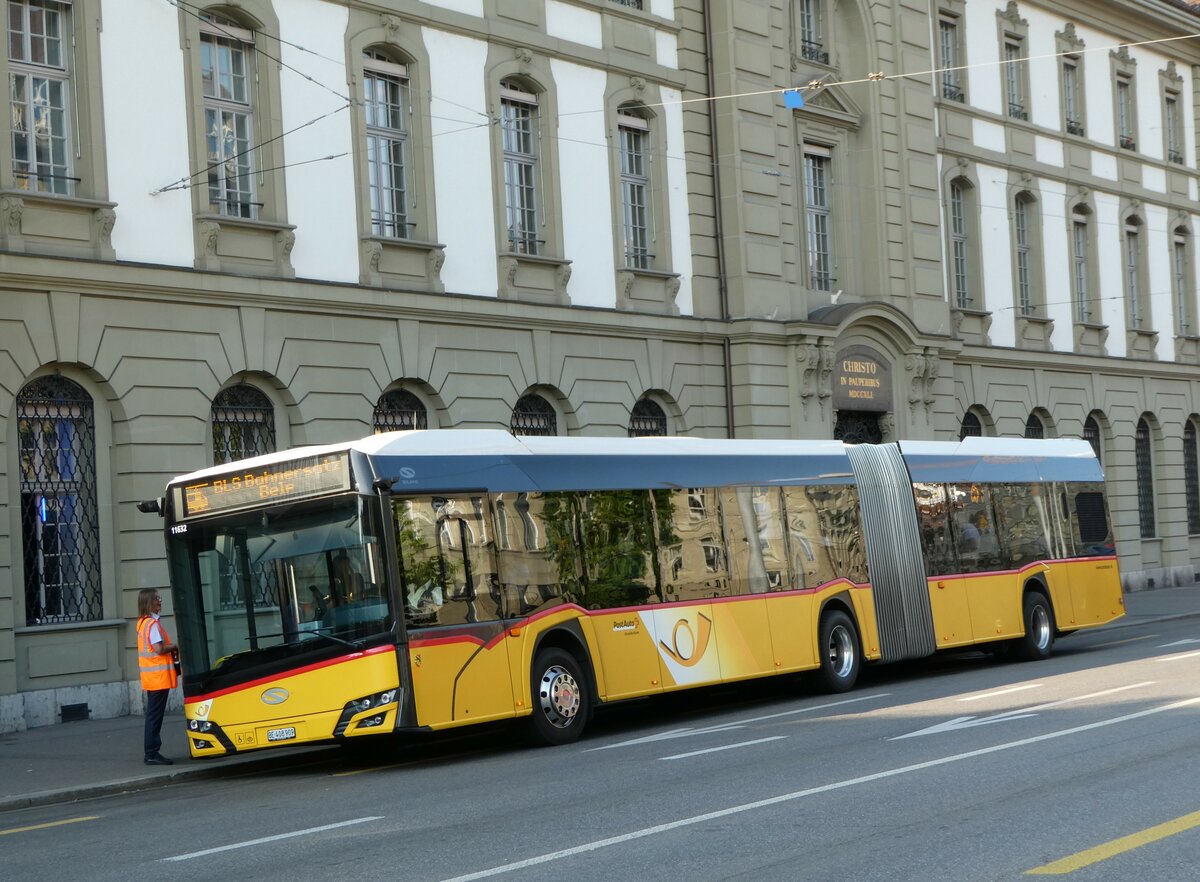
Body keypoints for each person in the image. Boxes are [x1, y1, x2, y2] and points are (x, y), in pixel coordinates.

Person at [136, 588, 180, 765]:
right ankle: (152, 753)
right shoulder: (152, 625)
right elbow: (159, 649)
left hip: (152, 677)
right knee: (154, 717)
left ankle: (151, 752)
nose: (160, 601)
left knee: (153, 716)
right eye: (157, 599)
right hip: (158, 677)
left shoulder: (142, 623)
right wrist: (176, 646)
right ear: (149, 603)